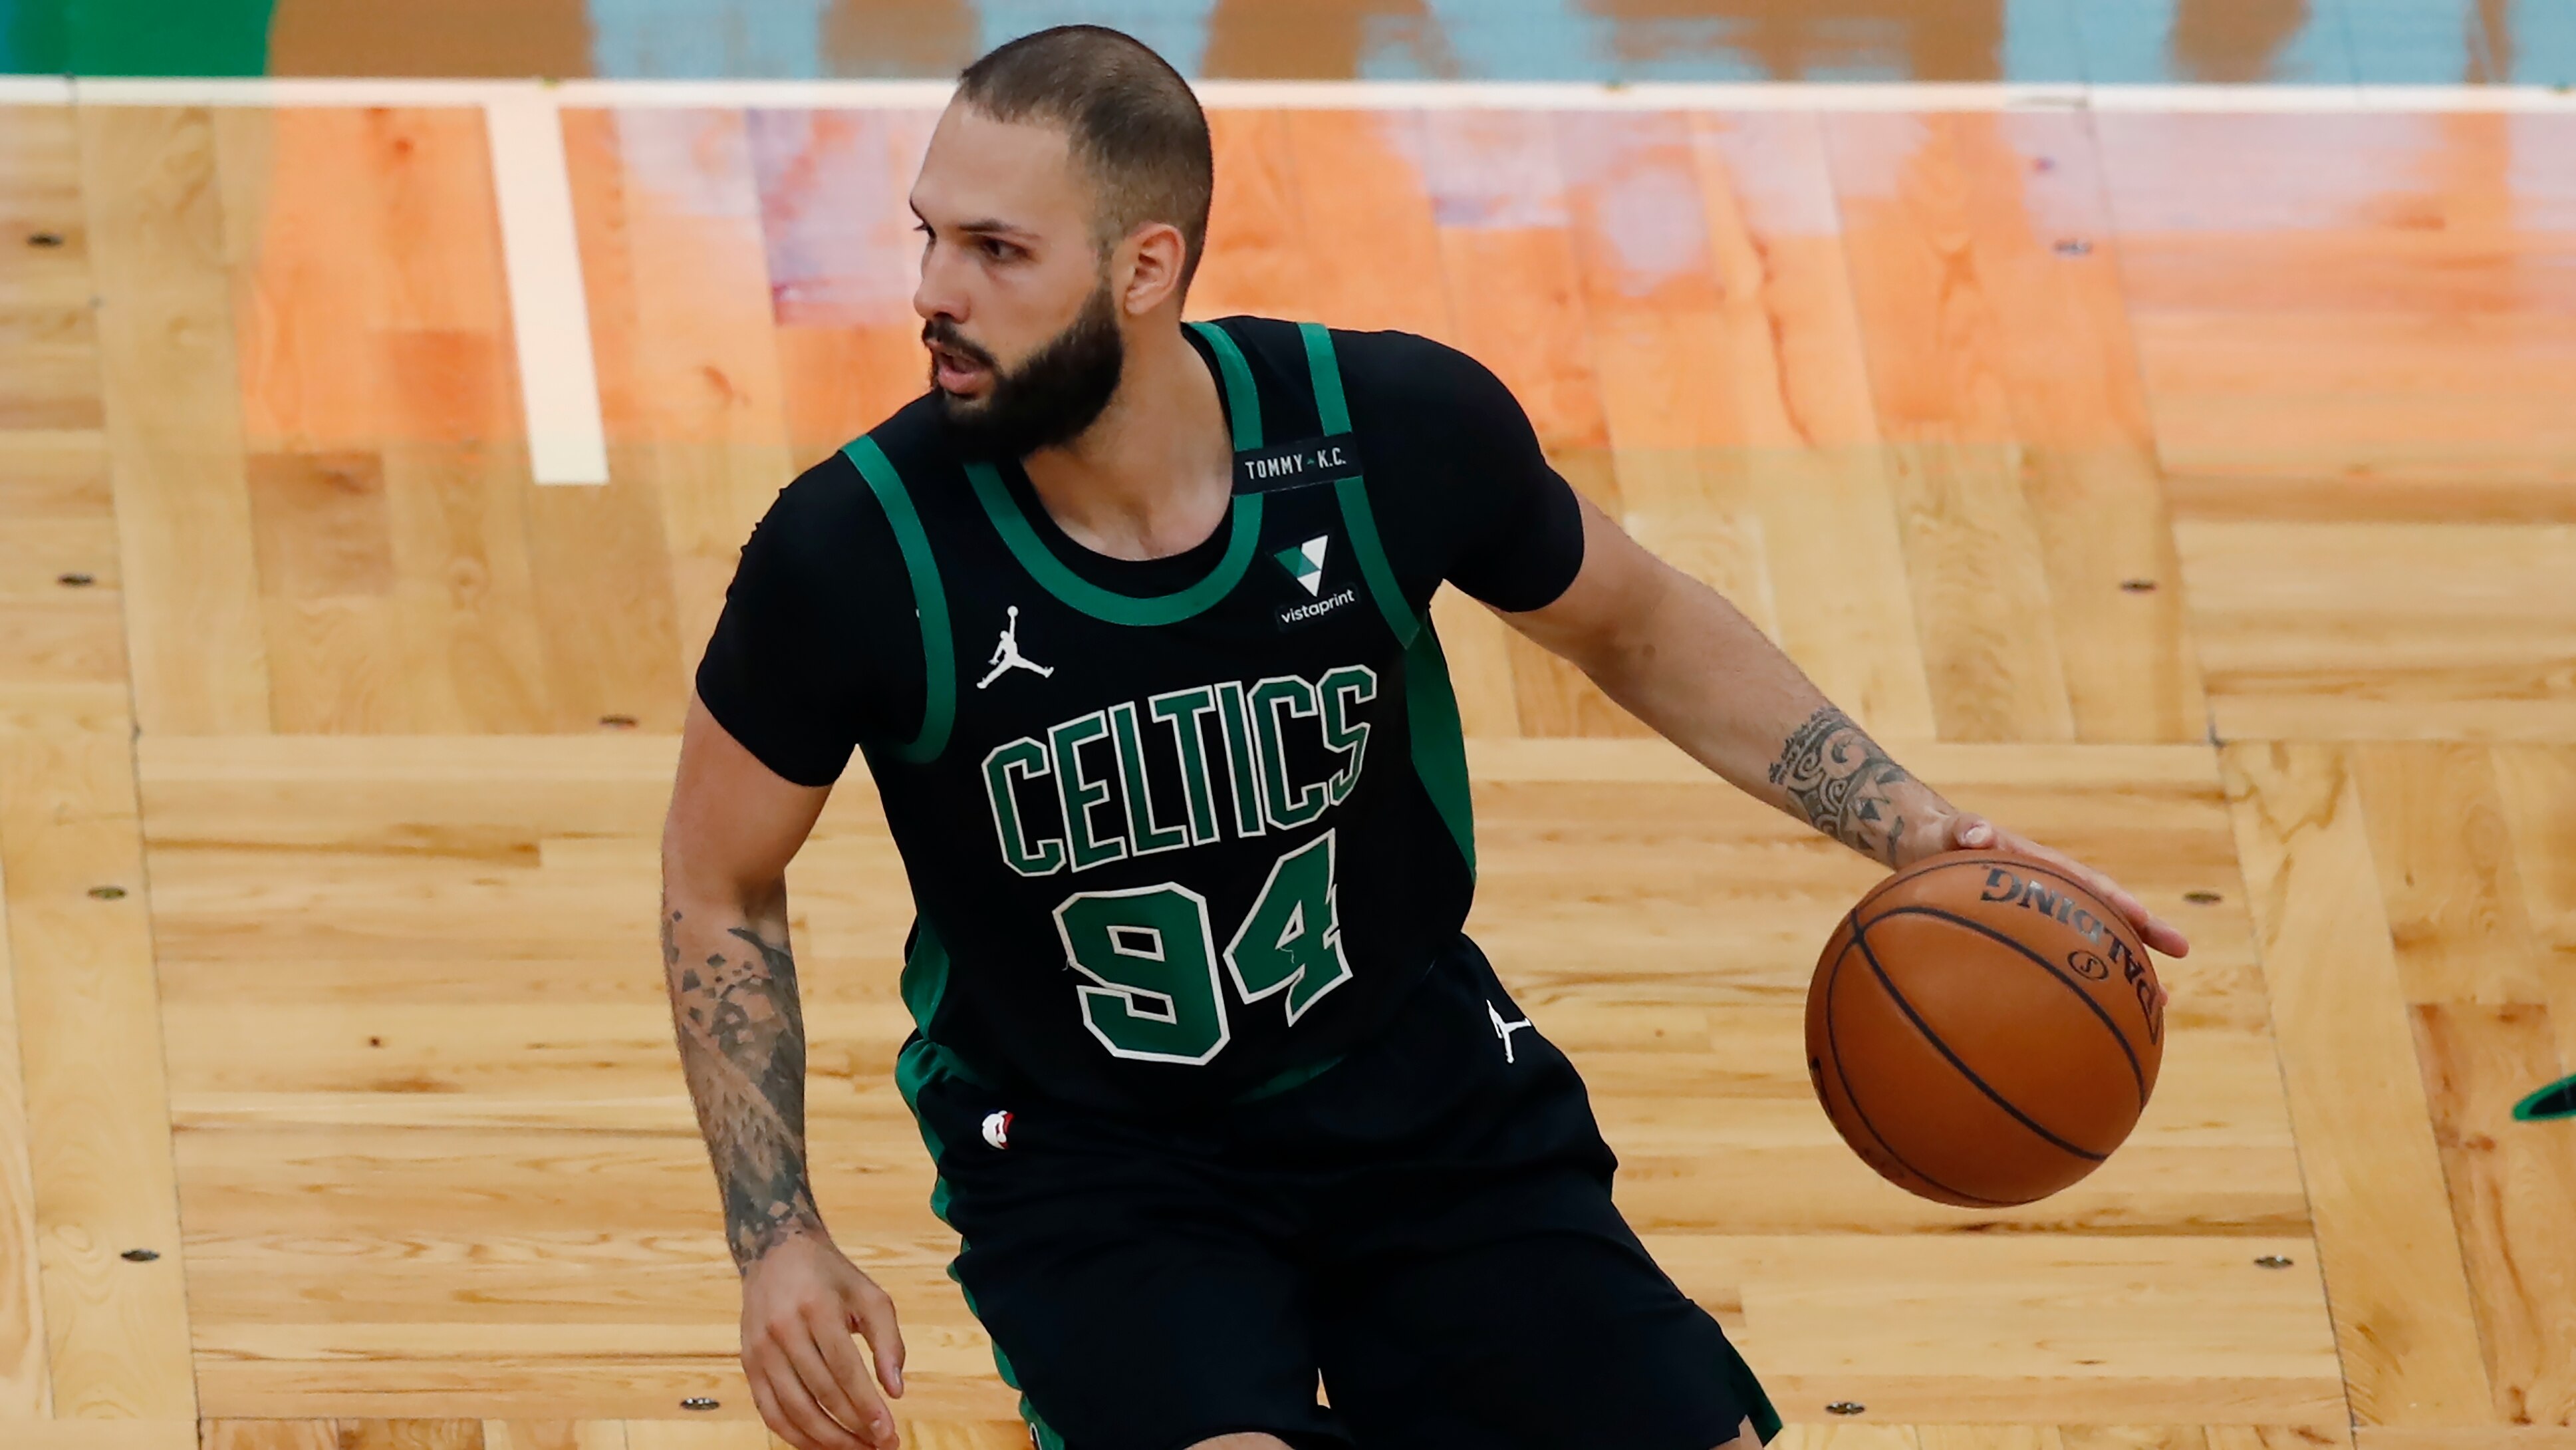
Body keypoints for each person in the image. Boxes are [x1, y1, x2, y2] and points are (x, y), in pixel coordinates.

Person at [660, 25, 2189, 1450]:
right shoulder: (853, 553)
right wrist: (775, 1231)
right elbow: (717, 885)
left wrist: (1917, 828)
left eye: (998, 250)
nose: (934, 287)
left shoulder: (1382, 429)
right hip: (1095, 1155)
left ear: (1146, 266)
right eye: (929, 232)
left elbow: (1636, 623)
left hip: (1418, 1094)